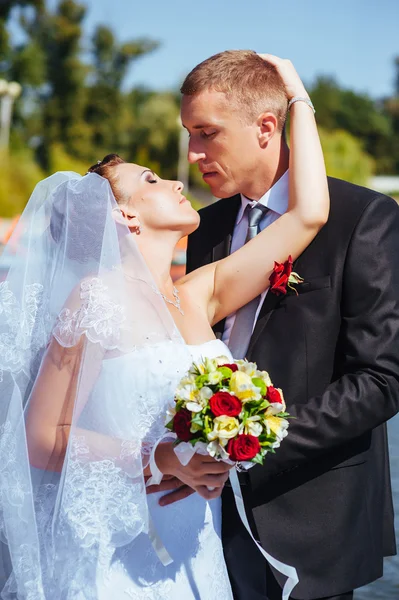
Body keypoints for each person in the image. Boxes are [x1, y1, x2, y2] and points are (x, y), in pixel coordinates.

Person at [0, 57, 328, 599]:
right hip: (124, 544)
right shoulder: (95, 298)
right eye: (149, 181)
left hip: (196, 543)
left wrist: (293, 94)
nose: (178, 179)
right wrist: (159, 457)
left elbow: (309, 213)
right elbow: (39, 438)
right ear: (123, 217)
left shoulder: (198, 294)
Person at [169, 50, 399, 600]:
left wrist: (251, 440)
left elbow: (382, 378)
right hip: (204, 513)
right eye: (189, 134)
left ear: (267, 126)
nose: (193, 152)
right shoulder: (206, 226)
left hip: (312, 518)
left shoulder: (363, 219)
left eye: (206, 133)